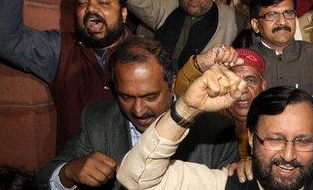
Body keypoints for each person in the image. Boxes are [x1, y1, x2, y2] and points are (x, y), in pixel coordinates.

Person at [0, 0, 130, 151]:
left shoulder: (145, 52)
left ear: (123, 14)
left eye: (102, 2)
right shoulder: (59, 49)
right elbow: (1, 38)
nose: (91, 8)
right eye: (83, 3)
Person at [35, 37, 239, 189]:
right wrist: (69, 172)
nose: (138, 110)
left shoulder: (216, 133)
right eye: (126, 97)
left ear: (173, 82)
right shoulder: (97, 121)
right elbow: (42, 180)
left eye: (150, 97)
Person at [116, 66, 313, 189]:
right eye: (274, 139)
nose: (289, 156)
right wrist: (186, 108)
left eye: (303, 141)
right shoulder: (220, 185)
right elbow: (136, 179)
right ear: (250, 138)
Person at [175, 45, 267, 159]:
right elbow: (181, 94)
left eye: (251, 80)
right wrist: (202, 62)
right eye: (233, 79)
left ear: (263, 86)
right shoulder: (209, 120)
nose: (242, 88)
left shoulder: (274, 121)